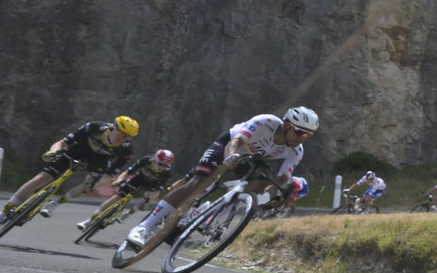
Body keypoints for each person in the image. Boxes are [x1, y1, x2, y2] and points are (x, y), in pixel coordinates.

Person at [123, 107, 317, 250]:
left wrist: (271, 194)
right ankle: (144, 227)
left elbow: (283, 177)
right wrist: (232, 156)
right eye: (300, 132)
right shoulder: (265, 122)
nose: (302, 138)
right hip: (231, 145)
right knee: (196, 184)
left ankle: (221, 208)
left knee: (265, 179)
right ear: (285, 125)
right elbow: (237, 141)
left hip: (254, 159)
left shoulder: (296, 151)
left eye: (307, 135)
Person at [0, 116, 138, 229]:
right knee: (41, 178)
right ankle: (0, 214)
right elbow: (63, 142)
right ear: (113, 128)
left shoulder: (126, 148)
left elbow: (112, 173)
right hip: (77, 150)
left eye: (127, 138)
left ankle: (55, 204)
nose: (122, 140)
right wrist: (53, 151)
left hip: (99, 161)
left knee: (89, 186)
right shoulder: (94, 127)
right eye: (121, 135)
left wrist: (98, 182)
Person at [79, 148, 176, 232]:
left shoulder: (167, 174)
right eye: (160, 164)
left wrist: (148, 201)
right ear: (154, 159)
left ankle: (128, 214)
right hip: (139, 178)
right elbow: (127, 172)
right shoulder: (145, 160)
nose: (162, 167)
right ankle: (89, 221)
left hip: (153, 184)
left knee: (147, 199)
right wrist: (119, 180)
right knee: (117, 197)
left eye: (165, 166)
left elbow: (158, 191)